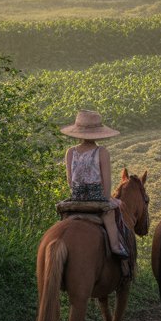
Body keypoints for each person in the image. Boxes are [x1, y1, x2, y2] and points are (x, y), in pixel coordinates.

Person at [61, 109, 129, 260]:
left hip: (77, 196)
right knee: (109, 213)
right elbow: (107, 181)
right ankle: (115, 246)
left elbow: (70, 180)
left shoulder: (70, 152)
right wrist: (107, 199)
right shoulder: (101, 151)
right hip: (97, 196)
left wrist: (77, 192)